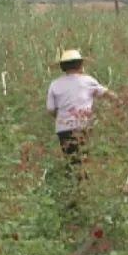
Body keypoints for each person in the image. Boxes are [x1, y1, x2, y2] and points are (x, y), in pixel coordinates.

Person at [46, 49, 114, 177]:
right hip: (83, 127)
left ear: (62, 67)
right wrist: (121, 101)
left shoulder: (54, 85)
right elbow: (106, 94)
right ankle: (83, 187)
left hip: (63, 129)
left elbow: (50, 109)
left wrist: (61, 117)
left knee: (71, 160)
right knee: (84, 159)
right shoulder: (87, 81)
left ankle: (72, 185)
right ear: (80, 65)